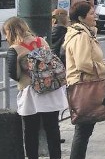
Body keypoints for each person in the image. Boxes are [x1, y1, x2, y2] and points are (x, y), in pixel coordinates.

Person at [4, 16, 67, 159]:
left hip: (30, 94)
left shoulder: (15, 49)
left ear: (10, 31)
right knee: (52, 129)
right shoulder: (42, 41)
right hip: (50, 90)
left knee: (30, 131)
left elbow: (14, 75)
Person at [64, 0, 105, 159]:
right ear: (81, 17)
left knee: (84, 130)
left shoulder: (84, 33)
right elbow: (83, 63)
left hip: (83, 84)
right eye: (91, 13)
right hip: (83, 86)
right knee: (83, 130)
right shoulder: (81, 35)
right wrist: (103, 67)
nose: (95, 15)